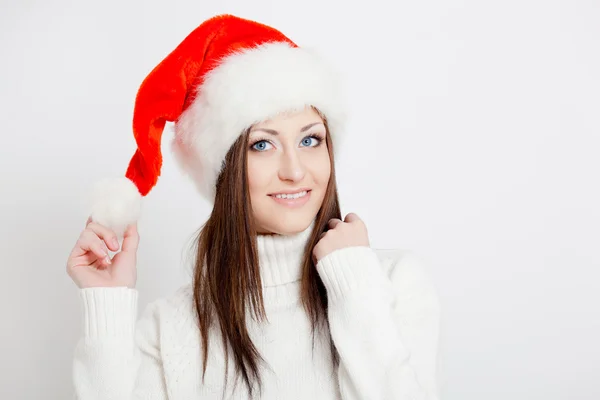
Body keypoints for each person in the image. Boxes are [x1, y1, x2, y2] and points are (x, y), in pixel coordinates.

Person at [66, 14, 442, 400]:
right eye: (262, 144)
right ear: (223, 168)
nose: (295, 171)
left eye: (310, 140)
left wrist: (352, 283)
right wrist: (106, 303)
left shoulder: (391, 283)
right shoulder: (172, 328)